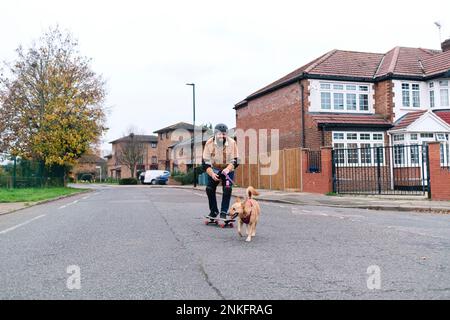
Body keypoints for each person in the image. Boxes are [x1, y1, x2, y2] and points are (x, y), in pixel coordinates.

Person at [202, 123, 239, 220]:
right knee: (209, 188)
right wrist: (212, 174)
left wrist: (228, 169)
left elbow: (236, 160)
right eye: (219, 134)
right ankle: (214, 211)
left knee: (227, 189)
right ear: (215, 134)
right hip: (214, 169)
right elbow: (205, 162)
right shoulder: (209, 143)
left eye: (224, 134)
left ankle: (223, 211)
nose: (222, 136)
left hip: (228, 169)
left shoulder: (232, 143)